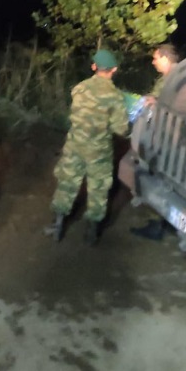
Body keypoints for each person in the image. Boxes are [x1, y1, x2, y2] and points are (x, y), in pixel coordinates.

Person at [46, 49, 129, 245]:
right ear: (114, 69)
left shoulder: (79, 88)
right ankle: (92, 232)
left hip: (75, 144)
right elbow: (121, 129)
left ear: (94, 67)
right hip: (98, 149)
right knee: (98, 187)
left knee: (67, 182)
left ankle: (58, 226)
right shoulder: (115, 96)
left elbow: (74, 115)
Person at [130, 43, 180, 241]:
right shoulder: (175, 77)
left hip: (167, 138)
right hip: (167, 137)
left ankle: (157, 224)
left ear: (165, 58)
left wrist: (156, 102)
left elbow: (178, 105)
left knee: (156, 176)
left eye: (156, 58)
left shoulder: (175, 78)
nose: (153, 62)